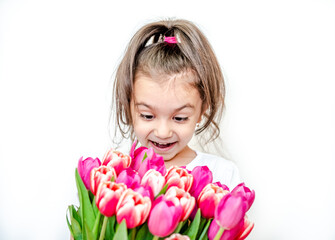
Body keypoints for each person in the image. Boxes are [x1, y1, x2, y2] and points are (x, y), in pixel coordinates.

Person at [111, 19, 240, 189]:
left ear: (202, 110)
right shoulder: (115, 174)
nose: (163, 133)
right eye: (148, 116)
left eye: (179, 118)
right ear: (128, 106)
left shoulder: (221, 174)